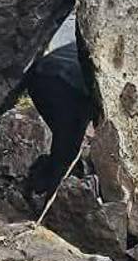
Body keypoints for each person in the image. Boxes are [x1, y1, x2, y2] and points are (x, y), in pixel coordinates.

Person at [22, 41, 95, 194]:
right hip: (67, 83)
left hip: (39, 75)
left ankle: (41, 182)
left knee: (65, 142)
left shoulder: (99, 38)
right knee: (66, 149)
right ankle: (51, 197)